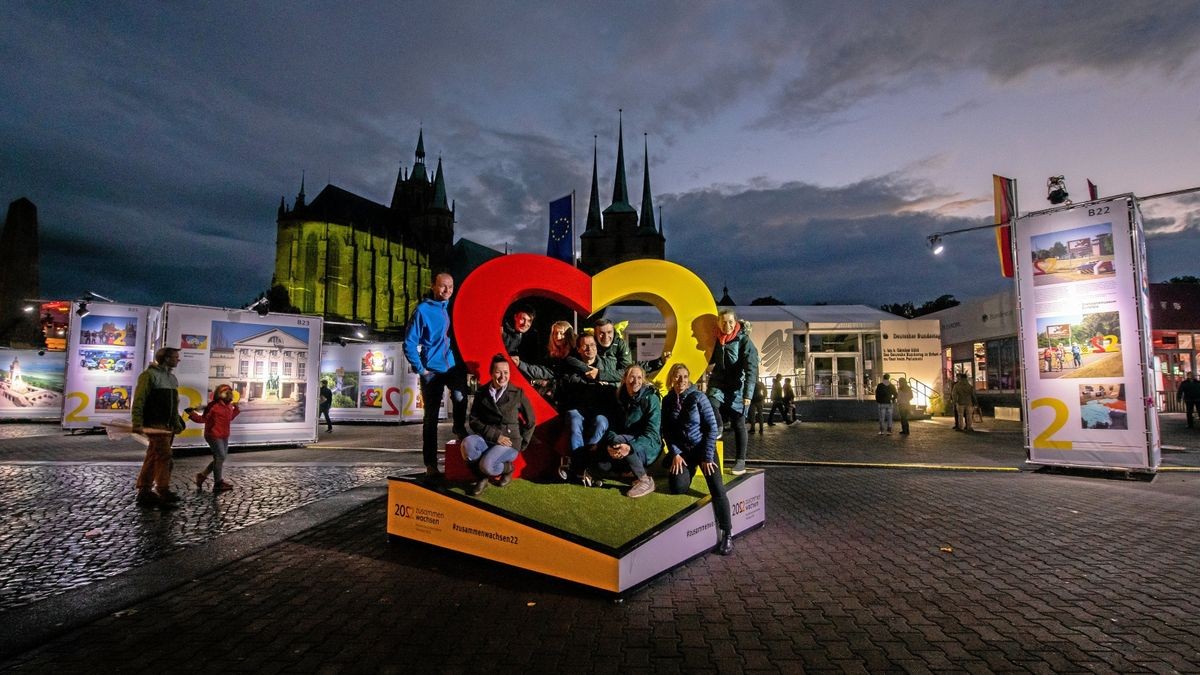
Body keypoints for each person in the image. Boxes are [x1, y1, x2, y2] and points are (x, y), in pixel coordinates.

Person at [662, 363, 733, 555]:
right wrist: (675, 453)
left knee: (717, 489)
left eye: (685, 376)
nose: (681, 380)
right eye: (677, 376)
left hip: (704, 450)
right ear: (671, 379)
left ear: (689, 378)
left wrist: (707, 456)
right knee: (678, 487)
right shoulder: (667, 401)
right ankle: (679, 467)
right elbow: (667, 431)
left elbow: (712, 428)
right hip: (684, 452)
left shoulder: (698, 397)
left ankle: (727, 533)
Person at [404, 272, 468, 483]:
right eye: (442, 286)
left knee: (460, 396)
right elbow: (409, 343)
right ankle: (431, 464)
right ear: (433, 286)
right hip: (431, 370)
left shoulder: (455, 306)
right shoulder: (423, 310)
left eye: (450, 286)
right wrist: (421, 369)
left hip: (453, 366)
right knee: (430, 418)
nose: (447, 290)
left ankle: (458, 427)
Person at [462, 355, 536, 495]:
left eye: (506, 372)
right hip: (487, 438)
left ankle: (508, 468)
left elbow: (531, 421)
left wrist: (521, 444)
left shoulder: (517, 393)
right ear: (491, 373)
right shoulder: (481, 393)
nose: (503, 376)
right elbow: (473, 420)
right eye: (498, 372)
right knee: (467, 444)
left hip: (509, 442)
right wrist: (495, 436)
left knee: (488, 465)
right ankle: (482, 478)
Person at [585, 365, 662, 498]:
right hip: (623, 444)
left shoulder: (651, 399)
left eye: (639, 377)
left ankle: (645, 479)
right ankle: (595, 471)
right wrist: (610, 446)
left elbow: (652, 435)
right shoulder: (620, 397)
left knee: (620, 441)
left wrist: (630, 447)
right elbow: (613, 427)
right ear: (625, 379)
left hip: (647, 446)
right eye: (632, 377)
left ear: (643, 380)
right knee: (602, 465)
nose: (635, 381)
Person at [130, 347, 186, 507]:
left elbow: (174, 405)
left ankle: (144, 490)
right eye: (176, 357)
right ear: (166, 358)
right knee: (165, 455)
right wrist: (137, 423)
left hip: (167, 424)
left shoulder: (172, 378)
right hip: (154, 423)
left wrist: (176, 423)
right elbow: (139, 400)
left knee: (154, 455)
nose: (178, 359)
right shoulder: (149, 376)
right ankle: (163, 490)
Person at [706, 309, 759, 475]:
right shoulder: (716, 339)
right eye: (723, 321)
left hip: (738, 387)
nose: (726, 325)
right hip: (719, 383)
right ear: (718, 323)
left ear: (736, 322)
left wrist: (748, 395)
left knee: (738, 423)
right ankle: (719, 426)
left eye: (730, 322)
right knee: (710, 401)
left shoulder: (744, 341)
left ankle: (740, 461)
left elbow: (751, 368)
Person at [557, 333, 614, 481]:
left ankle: (583, 464)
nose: (590, 348)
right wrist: (594, 382)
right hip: (578, 408)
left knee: (602, 421)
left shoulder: (606, 364)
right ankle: (582, 467)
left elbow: (618, 378)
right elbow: (570, 382)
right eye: (586, 346)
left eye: (593, 345)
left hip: (599, 411)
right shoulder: (571, 364)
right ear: (579, 349)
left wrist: (605, 379)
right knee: (574, 419)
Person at [188, 384, 241, 491]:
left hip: (224, 435)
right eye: (227, 392)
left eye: (230, 392)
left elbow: (229, 418)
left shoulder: (229, 406)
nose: (229, 394)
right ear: (219, 394)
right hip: (213, 435)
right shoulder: (213, 406)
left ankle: (202, 476)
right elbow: (203, 419)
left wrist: (236, 410)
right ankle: (218, 483)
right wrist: (192, 413)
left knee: (219, 458)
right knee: (220, 457)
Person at [593, 317, 669, 382]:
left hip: (616, 390)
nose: (606, 337)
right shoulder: (590, 345)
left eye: (609, 332)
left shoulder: (620, 344)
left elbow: (627, 371)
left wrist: (600, 374)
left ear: (613, 332)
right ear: (595, 334)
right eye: (601, 333)